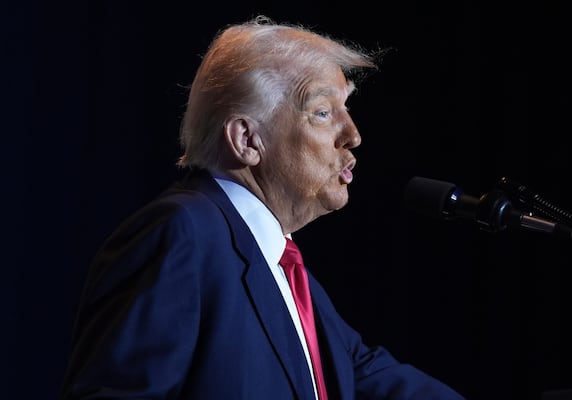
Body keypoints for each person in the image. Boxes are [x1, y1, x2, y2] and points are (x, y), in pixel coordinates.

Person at [60, 15, 466, 400]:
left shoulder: (285, 273)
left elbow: (366, 376)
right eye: (323, 113)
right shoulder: (182, 233)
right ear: (247, 140)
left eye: (347, 110)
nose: (353, 135)